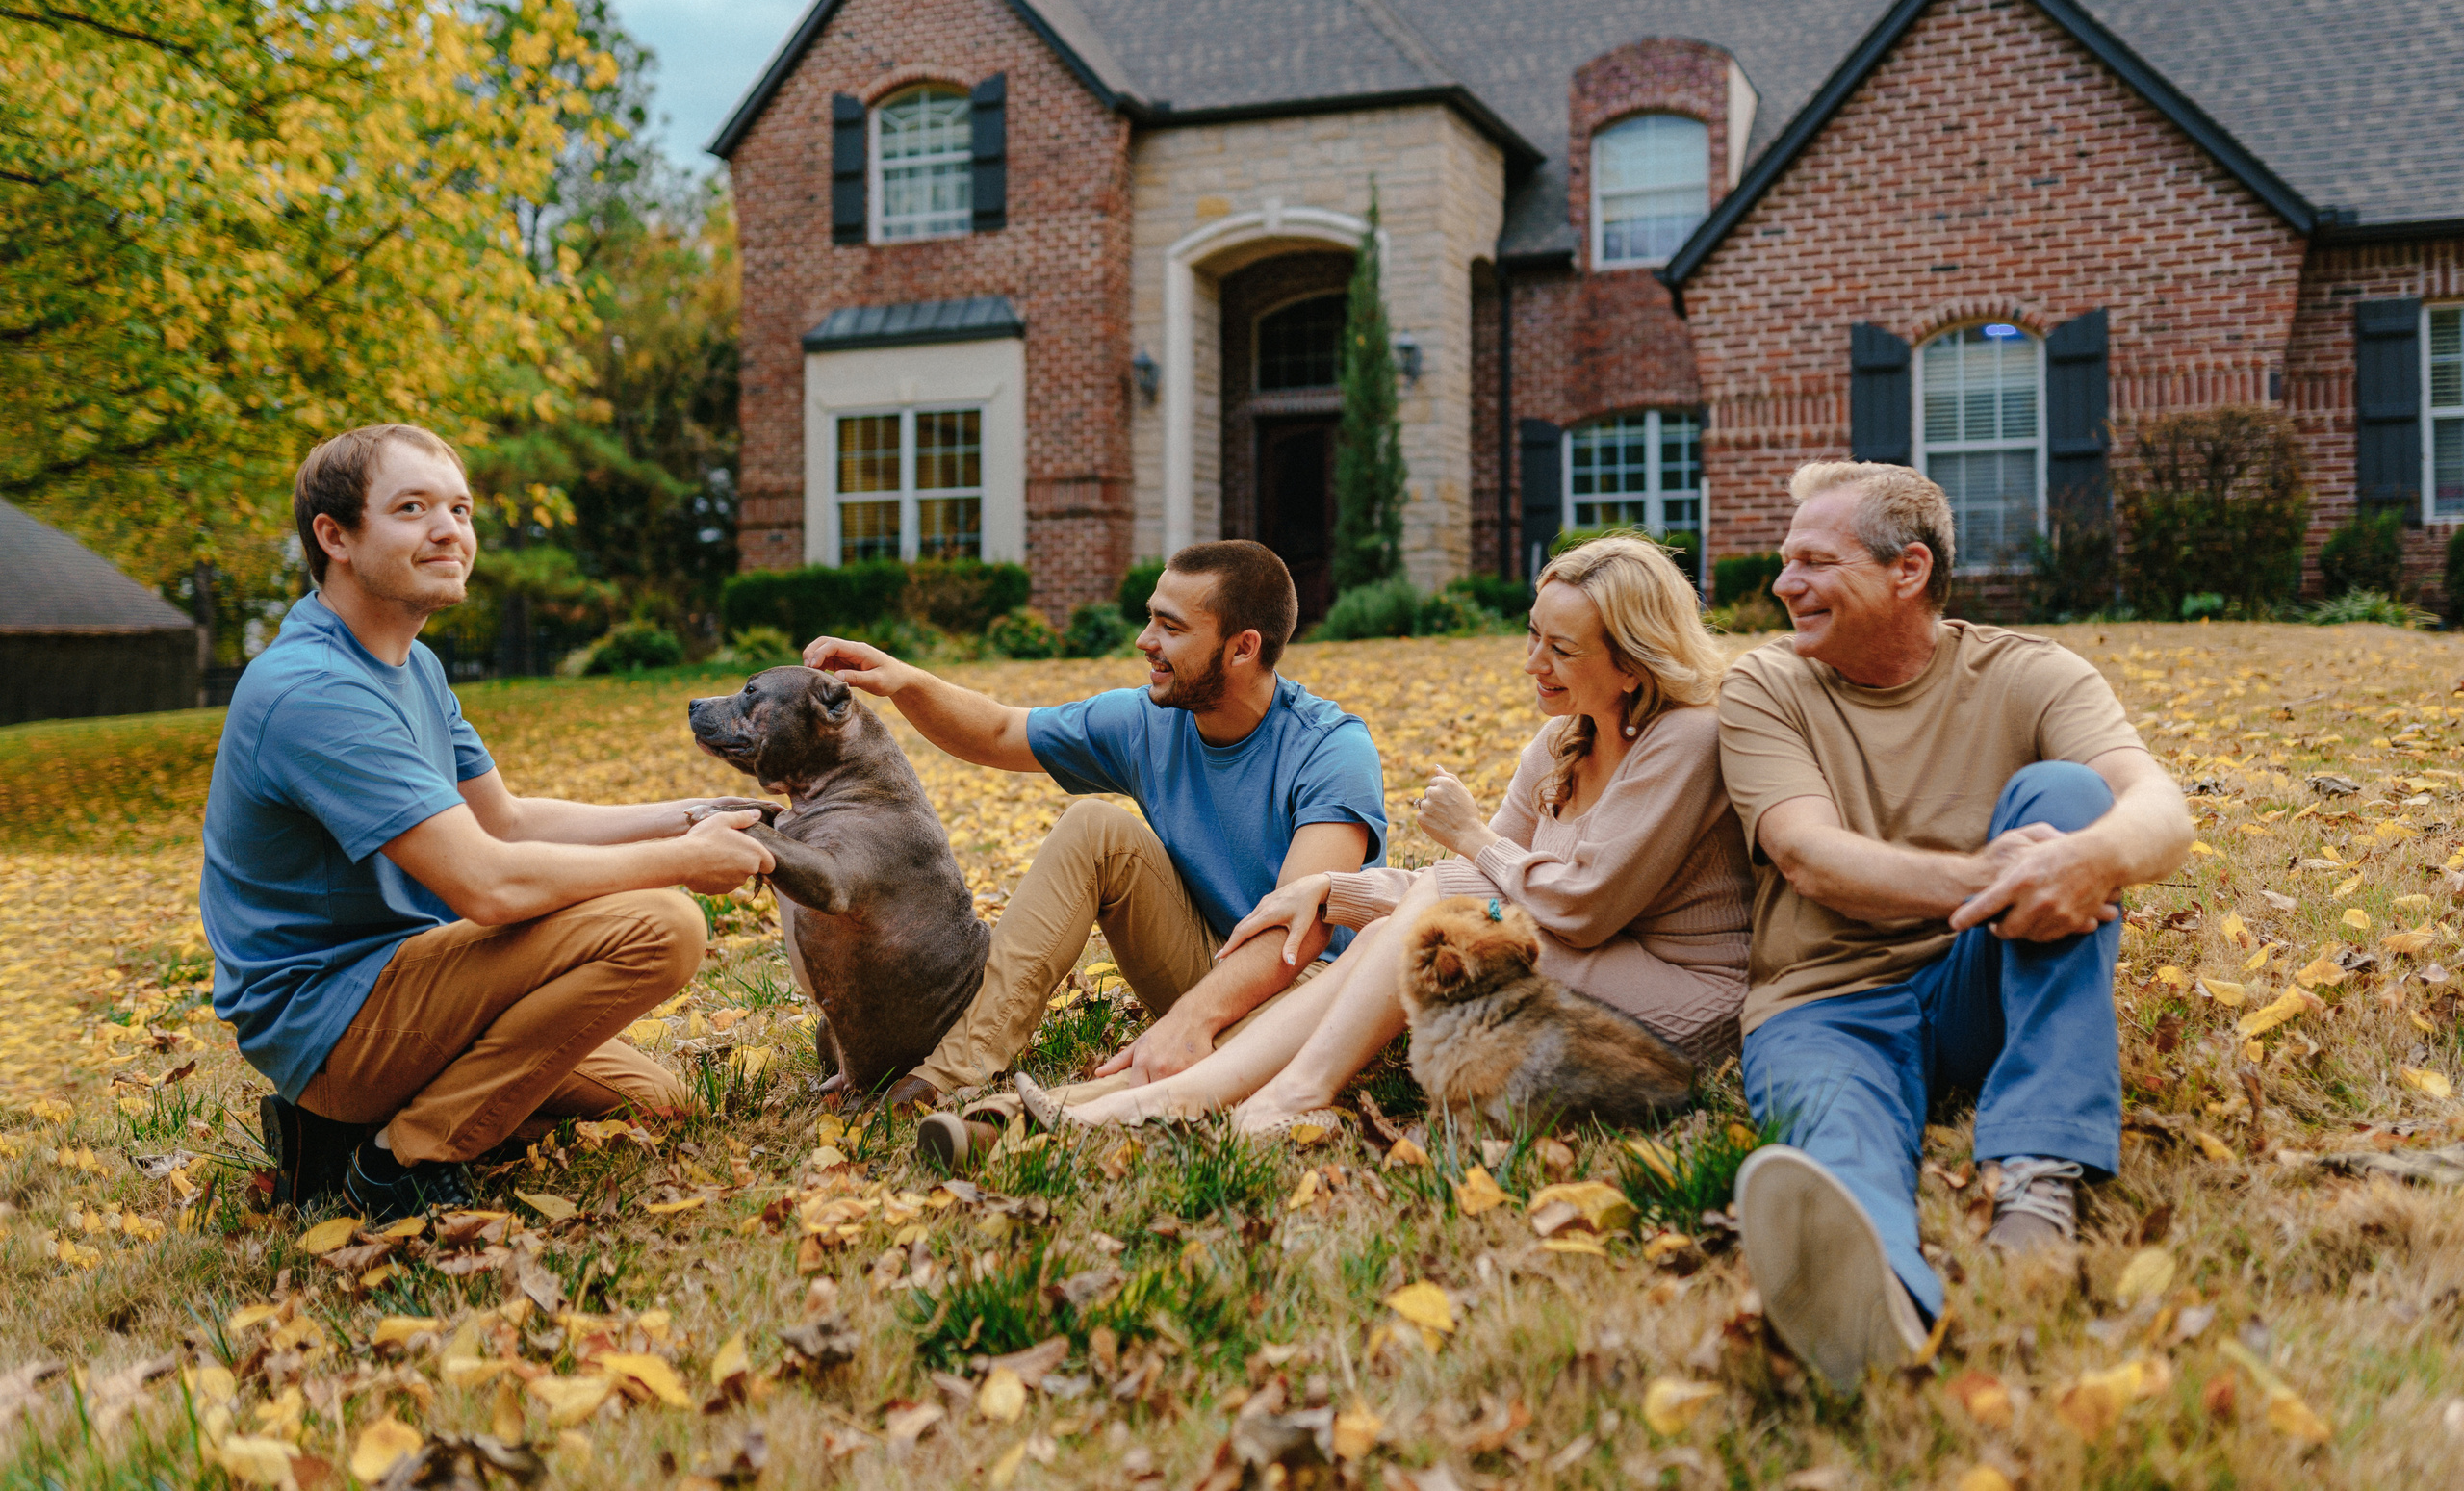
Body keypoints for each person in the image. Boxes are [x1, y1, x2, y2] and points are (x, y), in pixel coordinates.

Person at [202, 424, 778, 1220]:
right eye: (412, 507)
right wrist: (681, 859)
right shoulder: (312, 689)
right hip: (332, 1015)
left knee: (657, 1101)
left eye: (461, 509)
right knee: (664, 926)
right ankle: (397, 1157)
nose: (450, 530)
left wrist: (697, 812)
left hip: (415, 975)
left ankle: (332, 1138)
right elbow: (490, 882)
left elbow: (505, 821)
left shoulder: (415, 663)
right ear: (333, 536)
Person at [1719, 461, 2191, 1393]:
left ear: (1907, 571)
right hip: (1824, 1003)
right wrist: (1987, 876)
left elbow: (2161, 811)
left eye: (1814, 560)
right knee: (1836, 1145)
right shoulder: (1765, 687)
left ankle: (2039, 1170)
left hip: (1982, 984)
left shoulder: (2027, 673)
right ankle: (1875, 1294)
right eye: (1784, 561)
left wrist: (2085, 860)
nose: (1782, 584)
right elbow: (1810, 856)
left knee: (2071, 801)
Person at [1031, 534, 1751, 1136]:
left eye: (1560, 649)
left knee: (1428, 911)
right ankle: (1174, 1100)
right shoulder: (1562, 742)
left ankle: (1283, 1096)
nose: (1533, 662)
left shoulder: (1685, 739)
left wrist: (1471, 835)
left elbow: (1584, 907)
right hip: (1583, 965)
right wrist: (1333, 892)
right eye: (1533, 633)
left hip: (1685, 1002)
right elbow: (1478, 892)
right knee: (1398, 930)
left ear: (1630, 662)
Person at [799, 540, 1387, 1115]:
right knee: (1093, 826)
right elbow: (1002, 732)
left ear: (1242, 648)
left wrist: (1189, 1019)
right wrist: (904, 680)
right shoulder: (1147, 721)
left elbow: (1298, 931)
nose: (1145, 641)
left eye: (1171, 627)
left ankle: (1034, 1115)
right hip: (1211, 964)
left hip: (1316, 989)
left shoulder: (1332, 750)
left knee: (1261, 1018)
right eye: (1149, 619)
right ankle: (948, 1074)